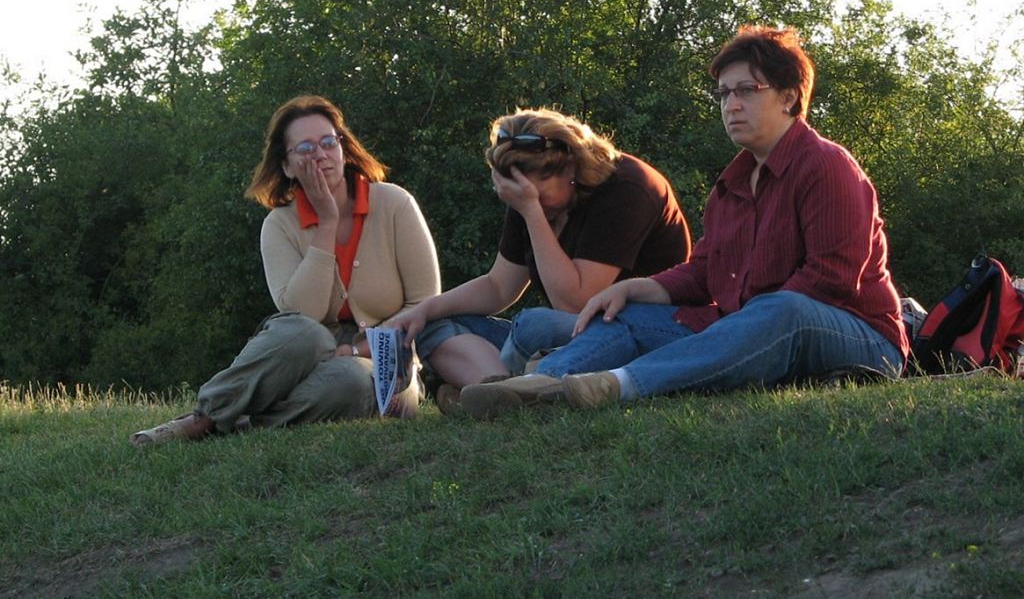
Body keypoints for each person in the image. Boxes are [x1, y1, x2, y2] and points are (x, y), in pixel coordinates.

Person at [459, 26, 910, 420]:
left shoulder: (826, 166)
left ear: (789, 97)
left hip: (858, 337)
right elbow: (704, 273)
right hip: (745, 326)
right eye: (724, 94)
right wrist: (636, 289)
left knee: (781, 310)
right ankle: (540, 387)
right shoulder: (732, 183)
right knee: (625, 313)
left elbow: (831, 279)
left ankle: (619, 384)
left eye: (747, 90)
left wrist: (737, 329)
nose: (731, 105)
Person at [130, 95, 440, 445]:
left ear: (343, 149)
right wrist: (326, 223)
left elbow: (425, 304)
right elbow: (302, 314)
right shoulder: (278, 225)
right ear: (288, 166)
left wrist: (358, 350)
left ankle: (241, 425)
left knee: (352, 380)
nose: (320, 155)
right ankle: (204, 417)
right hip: (308, 352)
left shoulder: (395, 203)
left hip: (385, 360)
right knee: (305, 333)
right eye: (305, 148)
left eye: (328, 142)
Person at [389, 107, 691, 402]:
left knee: (534, 325)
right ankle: (502, 389)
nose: (526, 199)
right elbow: (499, 287)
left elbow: (574, 303)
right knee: (433, 325)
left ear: (570, 167)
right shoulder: (527, 197)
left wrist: (532, 211)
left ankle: (503, 389)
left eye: (538, 193)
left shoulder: (627, 188)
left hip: (635, 330)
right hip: (571, 336)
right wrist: (424, 311)